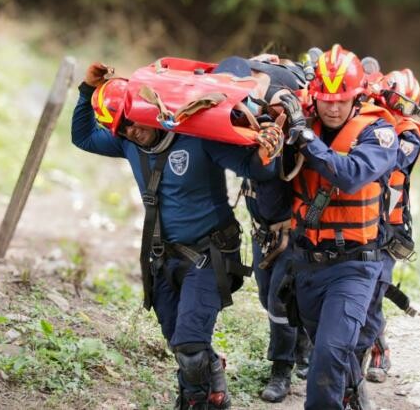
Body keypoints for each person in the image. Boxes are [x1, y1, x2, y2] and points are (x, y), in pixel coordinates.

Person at [71, 62, 284, 409]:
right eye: (121, 130)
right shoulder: (127, 142)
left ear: (147, 111)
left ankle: (197, 401)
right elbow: (81, 136)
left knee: (188, 344)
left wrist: (270, 149)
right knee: (180, 342)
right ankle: (211, 380)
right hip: (163, 258)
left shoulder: (198, 138)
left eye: (132, 124)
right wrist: (85, 90)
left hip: (210, 255)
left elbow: (255, 168)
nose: (130, 133)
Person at [279, 45, 399, 410]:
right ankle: (352, 395)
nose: (333, 107)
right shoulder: (298, 124)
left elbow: (350, 176)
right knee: (331, 351)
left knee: (328, 355)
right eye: (326, 99)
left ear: (358, 96)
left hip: (354, 265)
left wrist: (305, 138)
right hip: (307, 264)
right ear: (315, 97)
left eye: (342, 100)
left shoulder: (380, 133)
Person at [215, 56, 313, 404]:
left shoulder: (280, 104)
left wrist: (274, 140)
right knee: (265, 294)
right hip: (262, 228)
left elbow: (282, 170)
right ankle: (301, 342)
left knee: (279, 298)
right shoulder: (235, 115)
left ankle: (281, 371)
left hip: (290, 227)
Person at [357, 69, 420, 383]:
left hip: (388, 227)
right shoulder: (363, 119)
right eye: (397, 104)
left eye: (409, 108)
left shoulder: (409, 137)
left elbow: (385, 165)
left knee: (374, 292)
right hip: (356, 220)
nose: (402, 112)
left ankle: (376, 349)